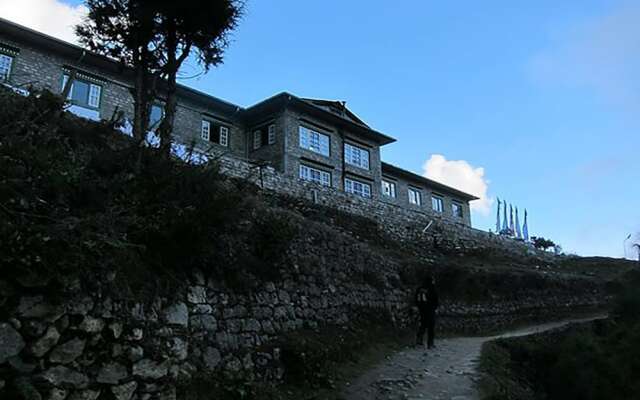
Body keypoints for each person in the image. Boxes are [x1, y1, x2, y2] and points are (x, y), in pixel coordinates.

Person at [415, 275, 439, 348]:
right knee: (431, 327)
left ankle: (419, 341)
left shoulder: (420, 288)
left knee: (423, 325)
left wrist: (418, 307)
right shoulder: (432, 288)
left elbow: (416, 298)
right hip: (430, 310)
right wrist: (435, 308)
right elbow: (435, 299)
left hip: (422, 310)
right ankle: (430, 343)